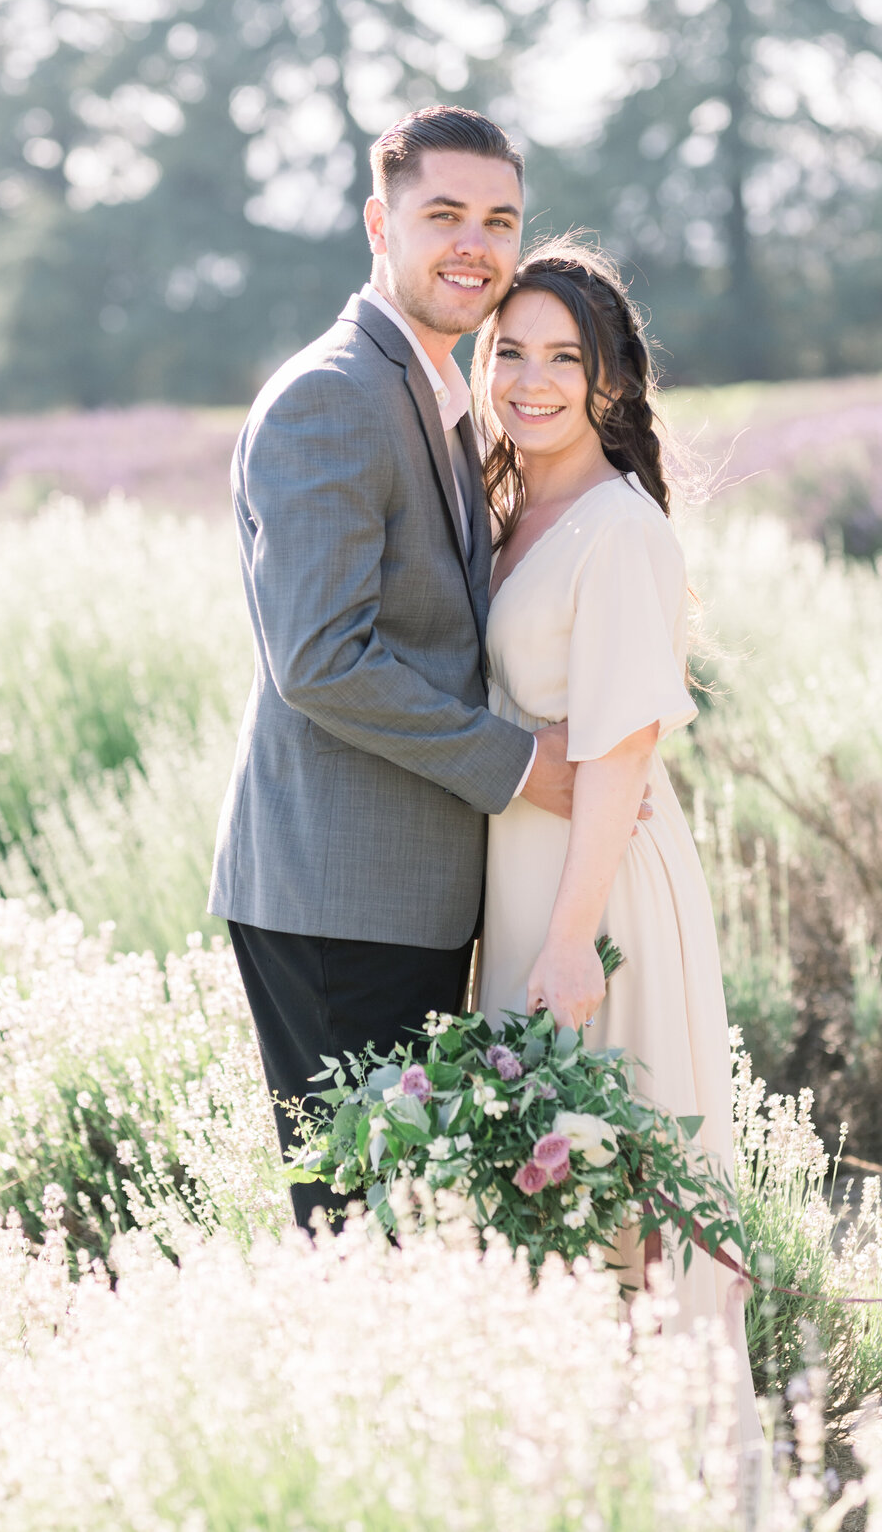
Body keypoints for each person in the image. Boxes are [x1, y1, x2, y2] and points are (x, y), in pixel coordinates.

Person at [208, 105, 582, 1230]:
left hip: (398, 888)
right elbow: (321, 661)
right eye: (444, 215)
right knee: (358, 1225)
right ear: (381, 223)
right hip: (339, 893)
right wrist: (519, 768)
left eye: (499, 220)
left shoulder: (428, 388)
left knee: (401, 1221)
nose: (475, 243)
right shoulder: (334, 395)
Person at [471, 237, 762, 1446]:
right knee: (554, 1184)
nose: (532, 380)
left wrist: (571, 939)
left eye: (563, 358)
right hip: (523, 871)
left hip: (599, 890)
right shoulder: (509, 504)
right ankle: (583, 1458)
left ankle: (678, 1465)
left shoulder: (617, 524)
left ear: (610, 383)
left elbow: (625, 746)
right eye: (511, 351)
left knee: (621, 1177)